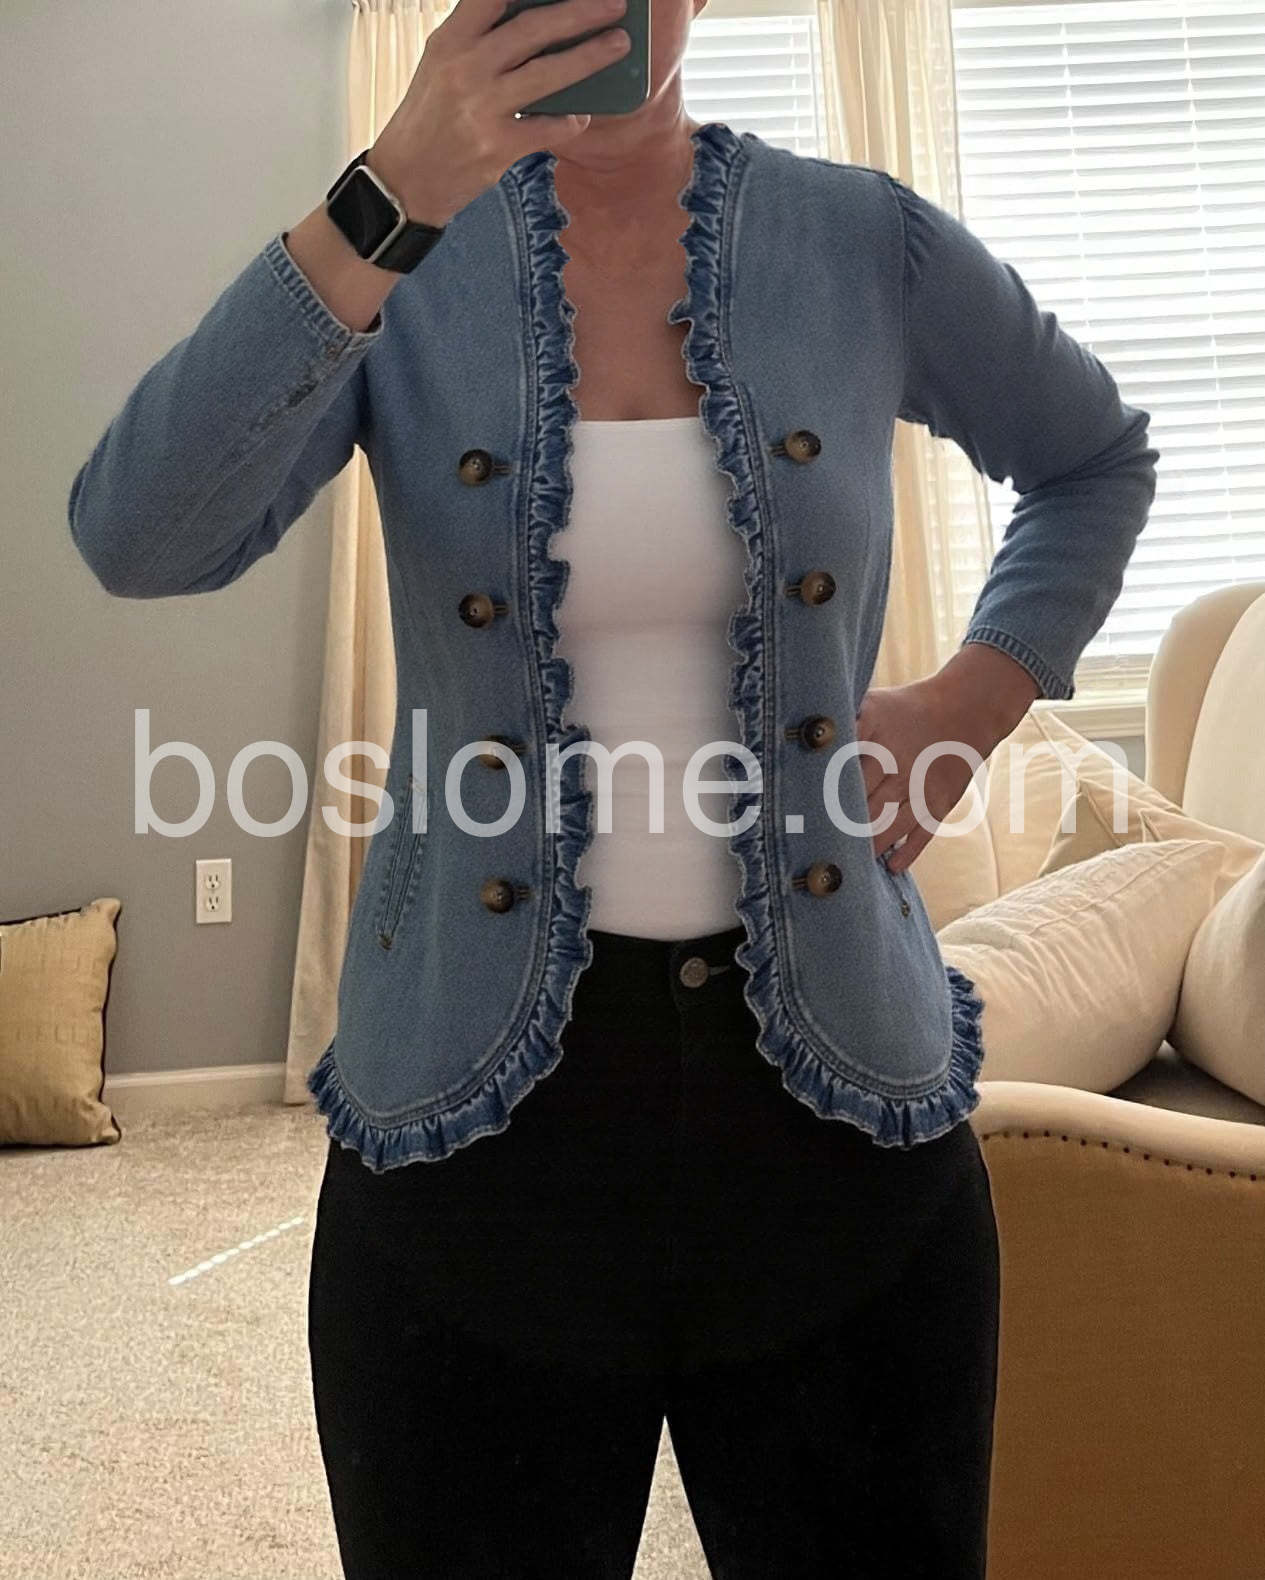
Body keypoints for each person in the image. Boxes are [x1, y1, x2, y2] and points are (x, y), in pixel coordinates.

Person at [67, 0, 1158, 1571]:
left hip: (837, 1117)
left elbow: (1091, 458)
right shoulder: (401, 252)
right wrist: (390, 191)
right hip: (468, 1130)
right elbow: (139, 533)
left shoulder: (858, 240)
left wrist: (974, 697)